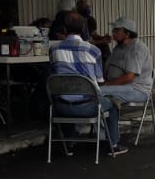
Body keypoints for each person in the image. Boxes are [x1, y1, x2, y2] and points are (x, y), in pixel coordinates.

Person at [47, 12, 127, 156]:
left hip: (61, 107)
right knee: (114, 105)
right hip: (89, 107)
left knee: (66, 93)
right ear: (84, 28)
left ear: (64, 29)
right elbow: (100, 81)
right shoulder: (93, 50)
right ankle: (113, 144)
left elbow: (54, 76)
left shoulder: (54, 49)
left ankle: (69, 144)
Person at [97, 16, 154, 149]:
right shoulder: (119, 47)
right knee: (106, 98)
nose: (113, 33)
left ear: (127, 33)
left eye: (117, 31)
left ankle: (107, 137)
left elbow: (129, 77)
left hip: (137, 89)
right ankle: (109, 137)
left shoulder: (135, 49)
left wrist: (107, 85)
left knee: (98, 92)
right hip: (120, 87)